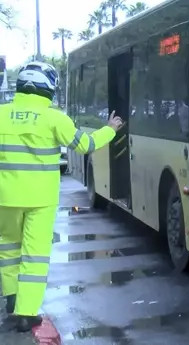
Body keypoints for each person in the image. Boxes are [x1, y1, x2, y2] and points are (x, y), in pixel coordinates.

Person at [0, 62, 122, 332]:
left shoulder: (1, 114)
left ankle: (11, 299)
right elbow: (86, 145)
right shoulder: (54, 118)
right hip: (39, 200)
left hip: (4, 198)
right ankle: (26, 312)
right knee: (34, 254)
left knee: (8, 248)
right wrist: (110, 129)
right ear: (48, 87)